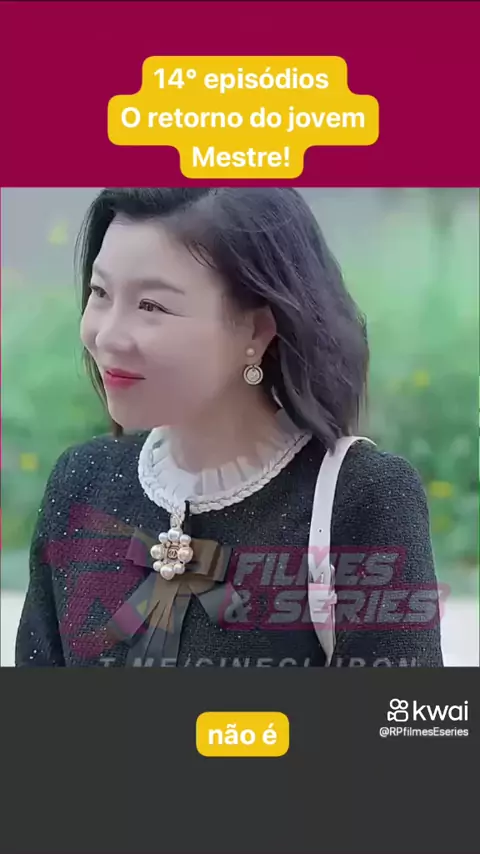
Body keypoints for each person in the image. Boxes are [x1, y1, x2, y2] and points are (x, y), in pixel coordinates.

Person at [15, 187, 444, 667]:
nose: (108, 335)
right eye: (100, 293)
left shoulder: (363, 496)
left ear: (256, 329)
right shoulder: (80, 481)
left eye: (152, 306)